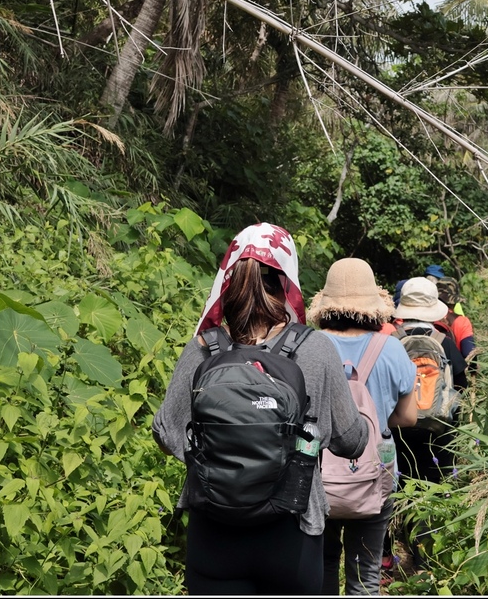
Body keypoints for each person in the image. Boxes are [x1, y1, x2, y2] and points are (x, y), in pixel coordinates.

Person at [152, 223, 367, 595]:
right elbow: (350, 441)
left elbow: (166, 431)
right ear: (288, 277)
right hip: (292, 533)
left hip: (213, 533)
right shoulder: (314, 349)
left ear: (229, 276)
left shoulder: (204, 347)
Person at [307, 258, 418, 595]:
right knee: (366, 572)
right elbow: (409, 418)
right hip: (374, 476)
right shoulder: (392, 349)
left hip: (318, 476)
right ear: (374, 304)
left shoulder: (309, 347)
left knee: (322, 563)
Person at [391, 277, 468, 568]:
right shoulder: (444, 343)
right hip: (439, 433)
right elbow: (461, 384)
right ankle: (426, 555)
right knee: (432, 485)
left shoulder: (392, 341)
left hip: (399, 427)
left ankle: (395, 545)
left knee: (400, 483)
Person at [433, 276, 476, 360]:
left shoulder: (425, 317)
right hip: (453, 371)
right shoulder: (462, 322)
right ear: (455, 302)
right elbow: (469, 354)